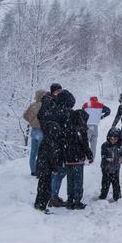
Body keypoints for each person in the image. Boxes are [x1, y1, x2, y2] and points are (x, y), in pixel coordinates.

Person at [33, 84, 73, 212]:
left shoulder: (50, 105)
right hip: (53, 144)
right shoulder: (53, 107)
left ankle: (49, 198)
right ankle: (48, 199)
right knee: (54, 173)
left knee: (52, 174)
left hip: (52, 143)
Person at [62, 108, 93, 209]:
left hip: (68, 159)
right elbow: (84, 145)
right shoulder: (81, 129)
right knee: (78, 181)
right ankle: (77, 201)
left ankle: (70, 200)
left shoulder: (66, 128)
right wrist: (89, 156)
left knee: (70, 180)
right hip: (78, 159)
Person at [23, 89, 45, 176]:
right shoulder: (44, 105)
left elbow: (25, 116)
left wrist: (31, 121)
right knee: (41, 151)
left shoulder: (32, 106)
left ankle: (33, 170)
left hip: (34, 130)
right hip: (42, 130)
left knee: (33, 152)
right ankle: (40, 169)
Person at [99, 129, 122, 201]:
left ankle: (117, 196)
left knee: (116, 183)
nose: (113, 140)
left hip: (116, 168)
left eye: (115, 139)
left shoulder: (121, 146)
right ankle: (103, 195)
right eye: (111, 138)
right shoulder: (105, 145)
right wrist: (107, 159)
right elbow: (103, 156)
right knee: (105, 183)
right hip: (106, 168)